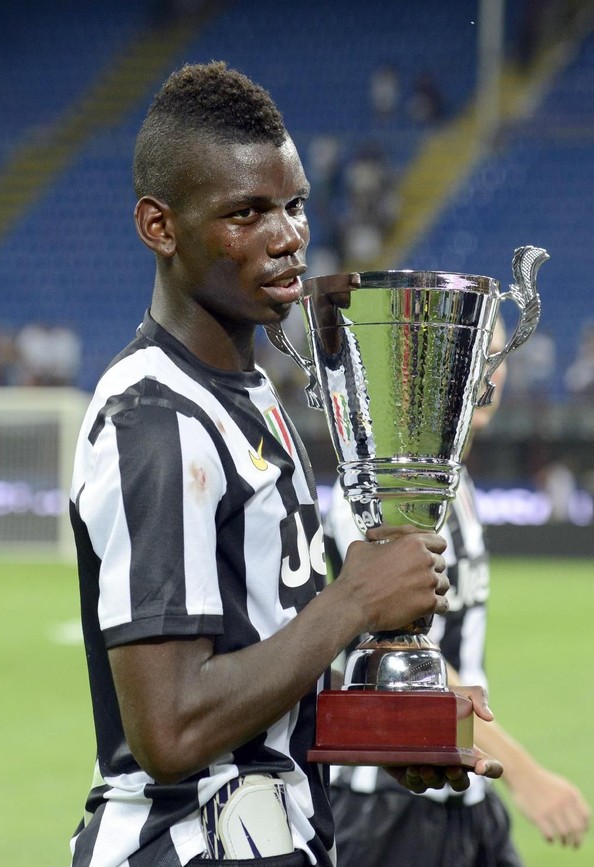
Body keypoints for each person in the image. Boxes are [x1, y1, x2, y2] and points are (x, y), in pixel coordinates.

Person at [68, 61, 502, 867]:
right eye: (247, 212)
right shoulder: (156, 421)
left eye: (295, 204)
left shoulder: (256, 393)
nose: (288, 234)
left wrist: (380, 731)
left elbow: (261, 673)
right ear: (159, 227)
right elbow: (170, 730)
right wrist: (355, 600)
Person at [326, 319, 591, 865]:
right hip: (389, 807)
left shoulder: (457, 478)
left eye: (497, 354)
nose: (488, 373)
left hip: (469, 793)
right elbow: (408, 663)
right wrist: (528, 777)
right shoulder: (381, 484)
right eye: (468, 355)